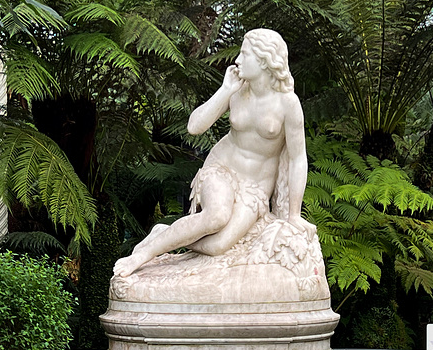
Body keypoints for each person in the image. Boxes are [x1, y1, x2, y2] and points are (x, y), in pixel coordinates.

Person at [114, 28, 315, 278]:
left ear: (265, 61)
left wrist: (294, 215)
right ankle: (143, 255)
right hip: (222, 168)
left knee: (220, 245)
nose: (238, 61)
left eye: (245, 54)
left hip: (255, 188)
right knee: (216, 216)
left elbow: (297, 159)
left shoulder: (288, 104)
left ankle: (163, 234)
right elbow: (194, 127)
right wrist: (225, 90)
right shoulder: (237, 92)